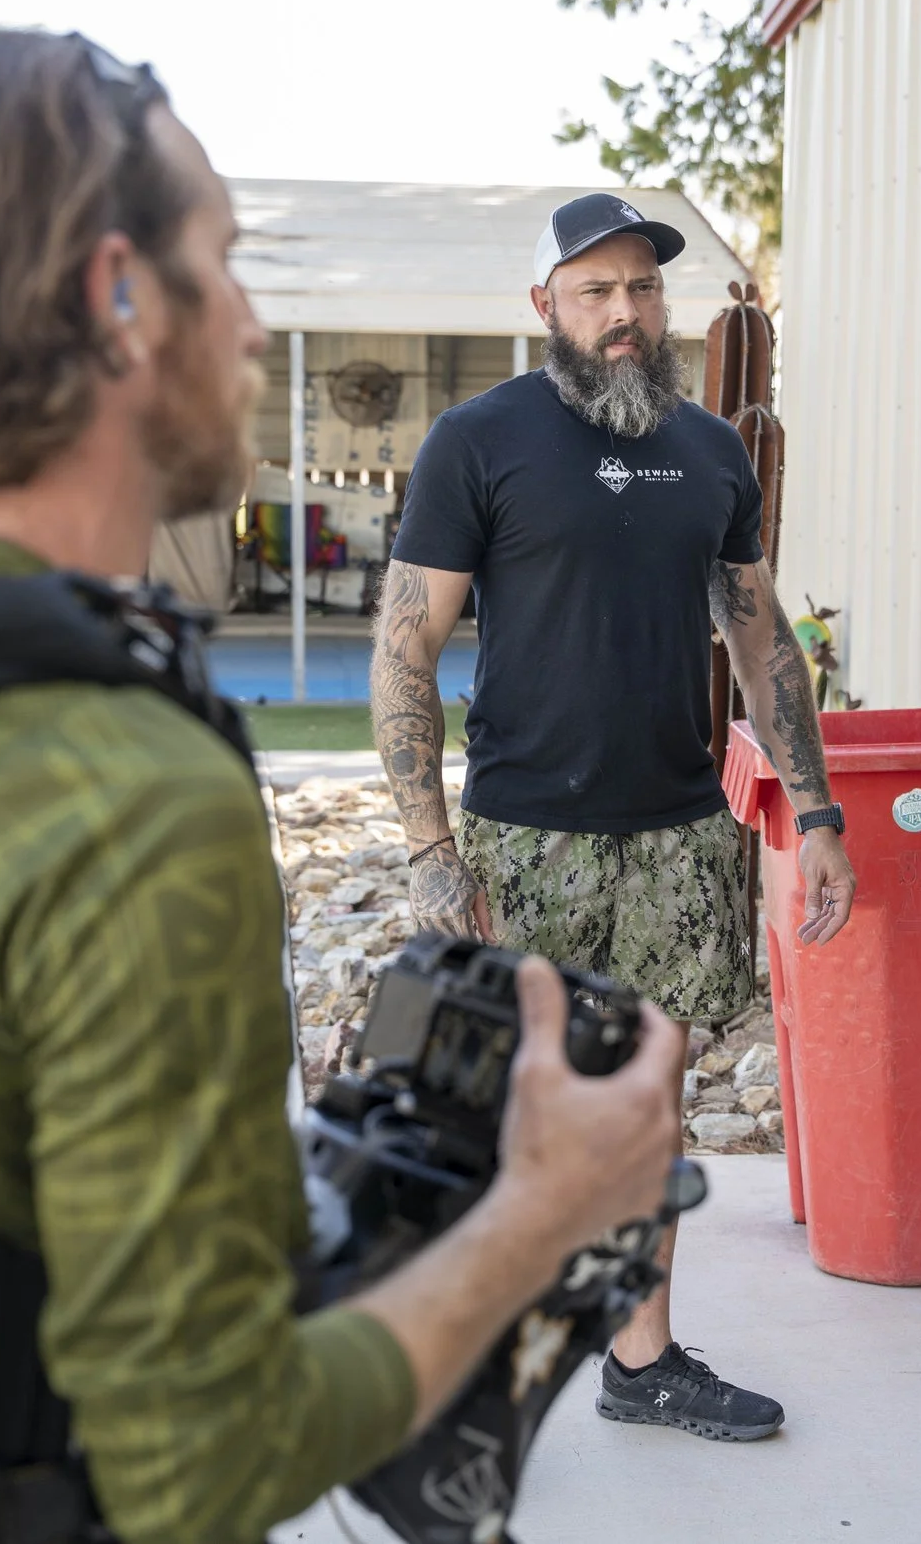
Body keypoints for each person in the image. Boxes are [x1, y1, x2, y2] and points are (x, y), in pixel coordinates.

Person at [0, 30, 686, 1544]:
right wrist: (549, 1205)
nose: (258, 321)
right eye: (226, 261)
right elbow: (201, 1460)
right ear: (118, 297)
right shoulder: (121, 787)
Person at [371, 192, 859, 1443]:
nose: (627, 310)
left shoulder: (709, 450)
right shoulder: (480, 442)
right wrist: (431, 850)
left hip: (679, 831)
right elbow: (403, 653)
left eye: (643, 286)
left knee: (648, 1098)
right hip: (529, 835)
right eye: (596, 289)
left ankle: (640, 1361)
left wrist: (814, 810)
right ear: (545, 307)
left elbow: (763, 649)